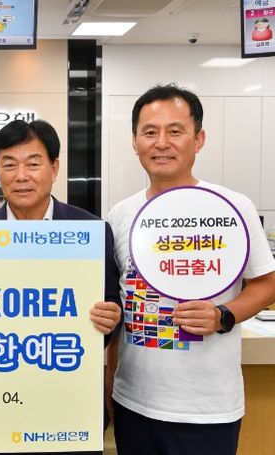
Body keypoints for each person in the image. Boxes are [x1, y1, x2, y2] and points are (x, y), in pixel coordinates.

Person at [107, 83, 275, 455]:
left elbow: (267, 283)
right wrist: (109, 385)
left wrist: (223, 315)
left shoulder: (233, 207)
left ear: (198, 139)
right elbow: (121, 307)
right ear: (134, 142)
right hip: (133, 402)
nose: (161, 143)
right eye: (149, 132)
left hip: (207, 409)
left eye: (175, 131)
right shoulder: (120, 215)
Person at [0, 119, 122, 455]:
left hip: (68, 397)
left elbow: (112, 303)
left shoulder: (90, 230)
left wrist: (110, 317)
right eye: (9, 165)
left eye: (33, 164)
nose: (21, 176)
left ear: (54, 168)